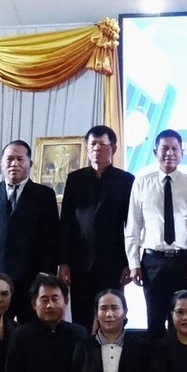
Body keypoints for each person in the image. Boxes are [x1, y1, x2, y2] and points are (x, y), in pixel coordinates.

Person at [126, 129, 187, 340]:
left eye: (174, 149)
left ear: (182, 153)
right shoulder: (141, 183)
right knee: (154, 321)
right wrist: (134, 263)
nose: (169, 153)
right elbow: (133, 226)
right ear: (155, 152)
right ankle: (156, 362)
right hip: (153, 262)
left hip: (184, 262)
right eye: (164, 148)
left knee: (182, 322)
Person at [58, 125, 136, 331]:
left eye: (102, 144)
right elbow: (66, 222)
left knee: (112, 316)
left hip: (113, 263)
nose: (97, 149)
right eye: (92, 144)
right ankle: (84, 351)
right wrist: (63, 262)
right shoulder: (75, 179)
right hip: (80, 262)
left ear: (114, 148)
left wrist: (129, 262)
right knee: (81, 318)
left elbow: (132, 225)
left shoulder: (126, 180)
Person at [0, 140, 60, 324]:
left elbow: (52, 237)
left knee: (32, 329)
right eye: (9, 159)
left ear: (30, 163)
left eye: (20, 159)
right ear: (1, 163)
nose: (14, 163)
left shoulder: (44, 195)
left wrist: (46, 274)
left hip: (32, 277)